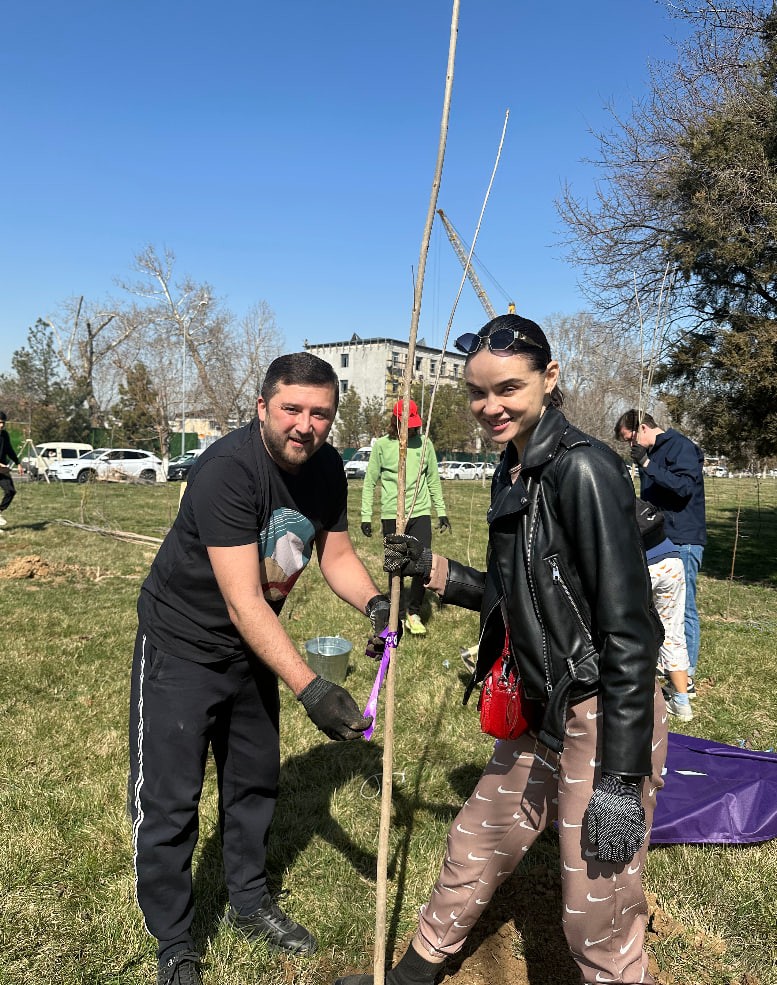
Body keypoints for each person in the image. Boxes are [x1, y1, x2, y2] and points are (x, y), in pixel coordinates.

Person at [334, 313, 668, 985]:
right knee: (474, 841)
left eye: (507, 388)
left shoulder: (584, 470)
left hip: (603, 710)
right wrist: (435, 572)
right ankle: (412, 974)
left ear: (548, 378)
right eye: (477, 392)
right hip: (538, 704)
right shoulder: (511, 471)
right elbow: (518, 594)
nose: (490, 406)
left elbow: (630, 631)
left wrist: (620, 780)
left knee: (593, 903)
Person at [130, 353, 392, 985]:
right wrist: (311, 688)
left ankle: (248, 901)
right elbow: (244, 601)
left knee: (253, 783)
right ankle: (175, 940)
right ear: (262, 409)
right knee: (171, 799)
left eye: (320, 413)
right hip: (184, 646)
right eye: (292, 409)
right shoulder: (225, 469)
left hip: (254, 649)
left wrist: (377, 600)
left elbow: (335, 554)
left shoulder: (327, 467)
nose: (306, 425)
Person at [614, 410, 706, 697]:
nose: (631, 446)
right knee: (654, 606)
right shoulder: (648, 454)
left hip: (684, 539)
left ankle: (685, 678)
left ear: (642, 427)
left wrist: (647, 463)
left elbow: (684, 488)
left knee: (684, 608)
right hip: (657, 540)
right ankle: (660, 666)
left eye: (630, 439)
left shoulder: (681, 447)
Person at [360, 399, 449, 636]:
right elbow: (370, 482)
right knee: (395, 566)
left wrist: (441, 511)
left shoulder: (424, 444)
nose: (410, 429)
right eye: (405, 424)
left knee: (423, 564)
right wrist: (366, 515)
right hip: (392, 513)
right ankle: (396, 617)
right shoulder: (382, 445)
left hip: (420, 511)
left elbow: (433, 480)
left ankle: (414, 612)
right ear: (395, 422)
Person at [635, 498, 693, 721]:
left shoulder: (599, 498)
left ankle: (640, 694)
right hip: (672, 560)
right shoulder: (633, 499)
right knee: (673, 631)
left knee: (630, 628)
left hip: (643, 566)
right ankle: (682, 701)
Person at [0, 411, 23, 527]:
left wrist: (18, 463)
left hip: (2, 470)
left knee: (10, 491)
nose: (1, 425)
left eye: (3, 423)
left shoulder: (4, 435)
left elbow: (9, 450)